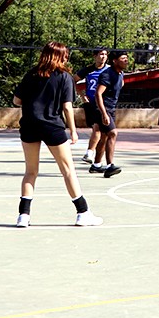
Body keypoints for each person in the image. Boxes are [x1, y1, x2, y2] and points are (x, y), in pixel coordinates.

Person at [12, 42, 103, 227]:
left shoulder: (31, 74)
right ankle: (83, 212)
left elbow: (16, 101)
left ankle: (23, 216)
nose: (67, 57)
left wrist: (35, 100)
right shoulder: (64, 77)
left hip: (29, 125)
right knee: (68, 170)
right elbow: (67, 107)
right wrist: (73, 131)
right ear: (60, 56)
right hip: (52, 126)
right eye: (66, 54)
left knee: (30, 172)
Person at [89, 49, 128, 178]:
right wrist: (104, 113)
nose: (126, 60)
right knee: (113, 133)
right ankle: (110, 165)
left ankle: (96, 165)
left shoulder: (120, 73)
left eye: (126, 58)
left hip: (110, 108)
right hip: (102, 109)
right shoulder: (107, 74)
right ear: (115, 61)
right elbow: (98, 94)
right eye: (123, 58)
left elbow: (120, 84)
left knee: (104, 137)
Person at [76, 48, 109, 164]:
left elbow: (121, 82)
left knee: (98, 128)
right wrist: (82, 95)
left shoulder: (110, 70)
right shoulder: (88, 70)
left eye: (105, 54)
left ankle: (90, 153)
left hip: (104, 104)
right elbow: (73, 80)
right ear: (95, 56)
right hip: (91, 103)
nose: (103, 57)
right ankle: (93, 155)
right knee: (97, 128)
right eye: (101, 54)